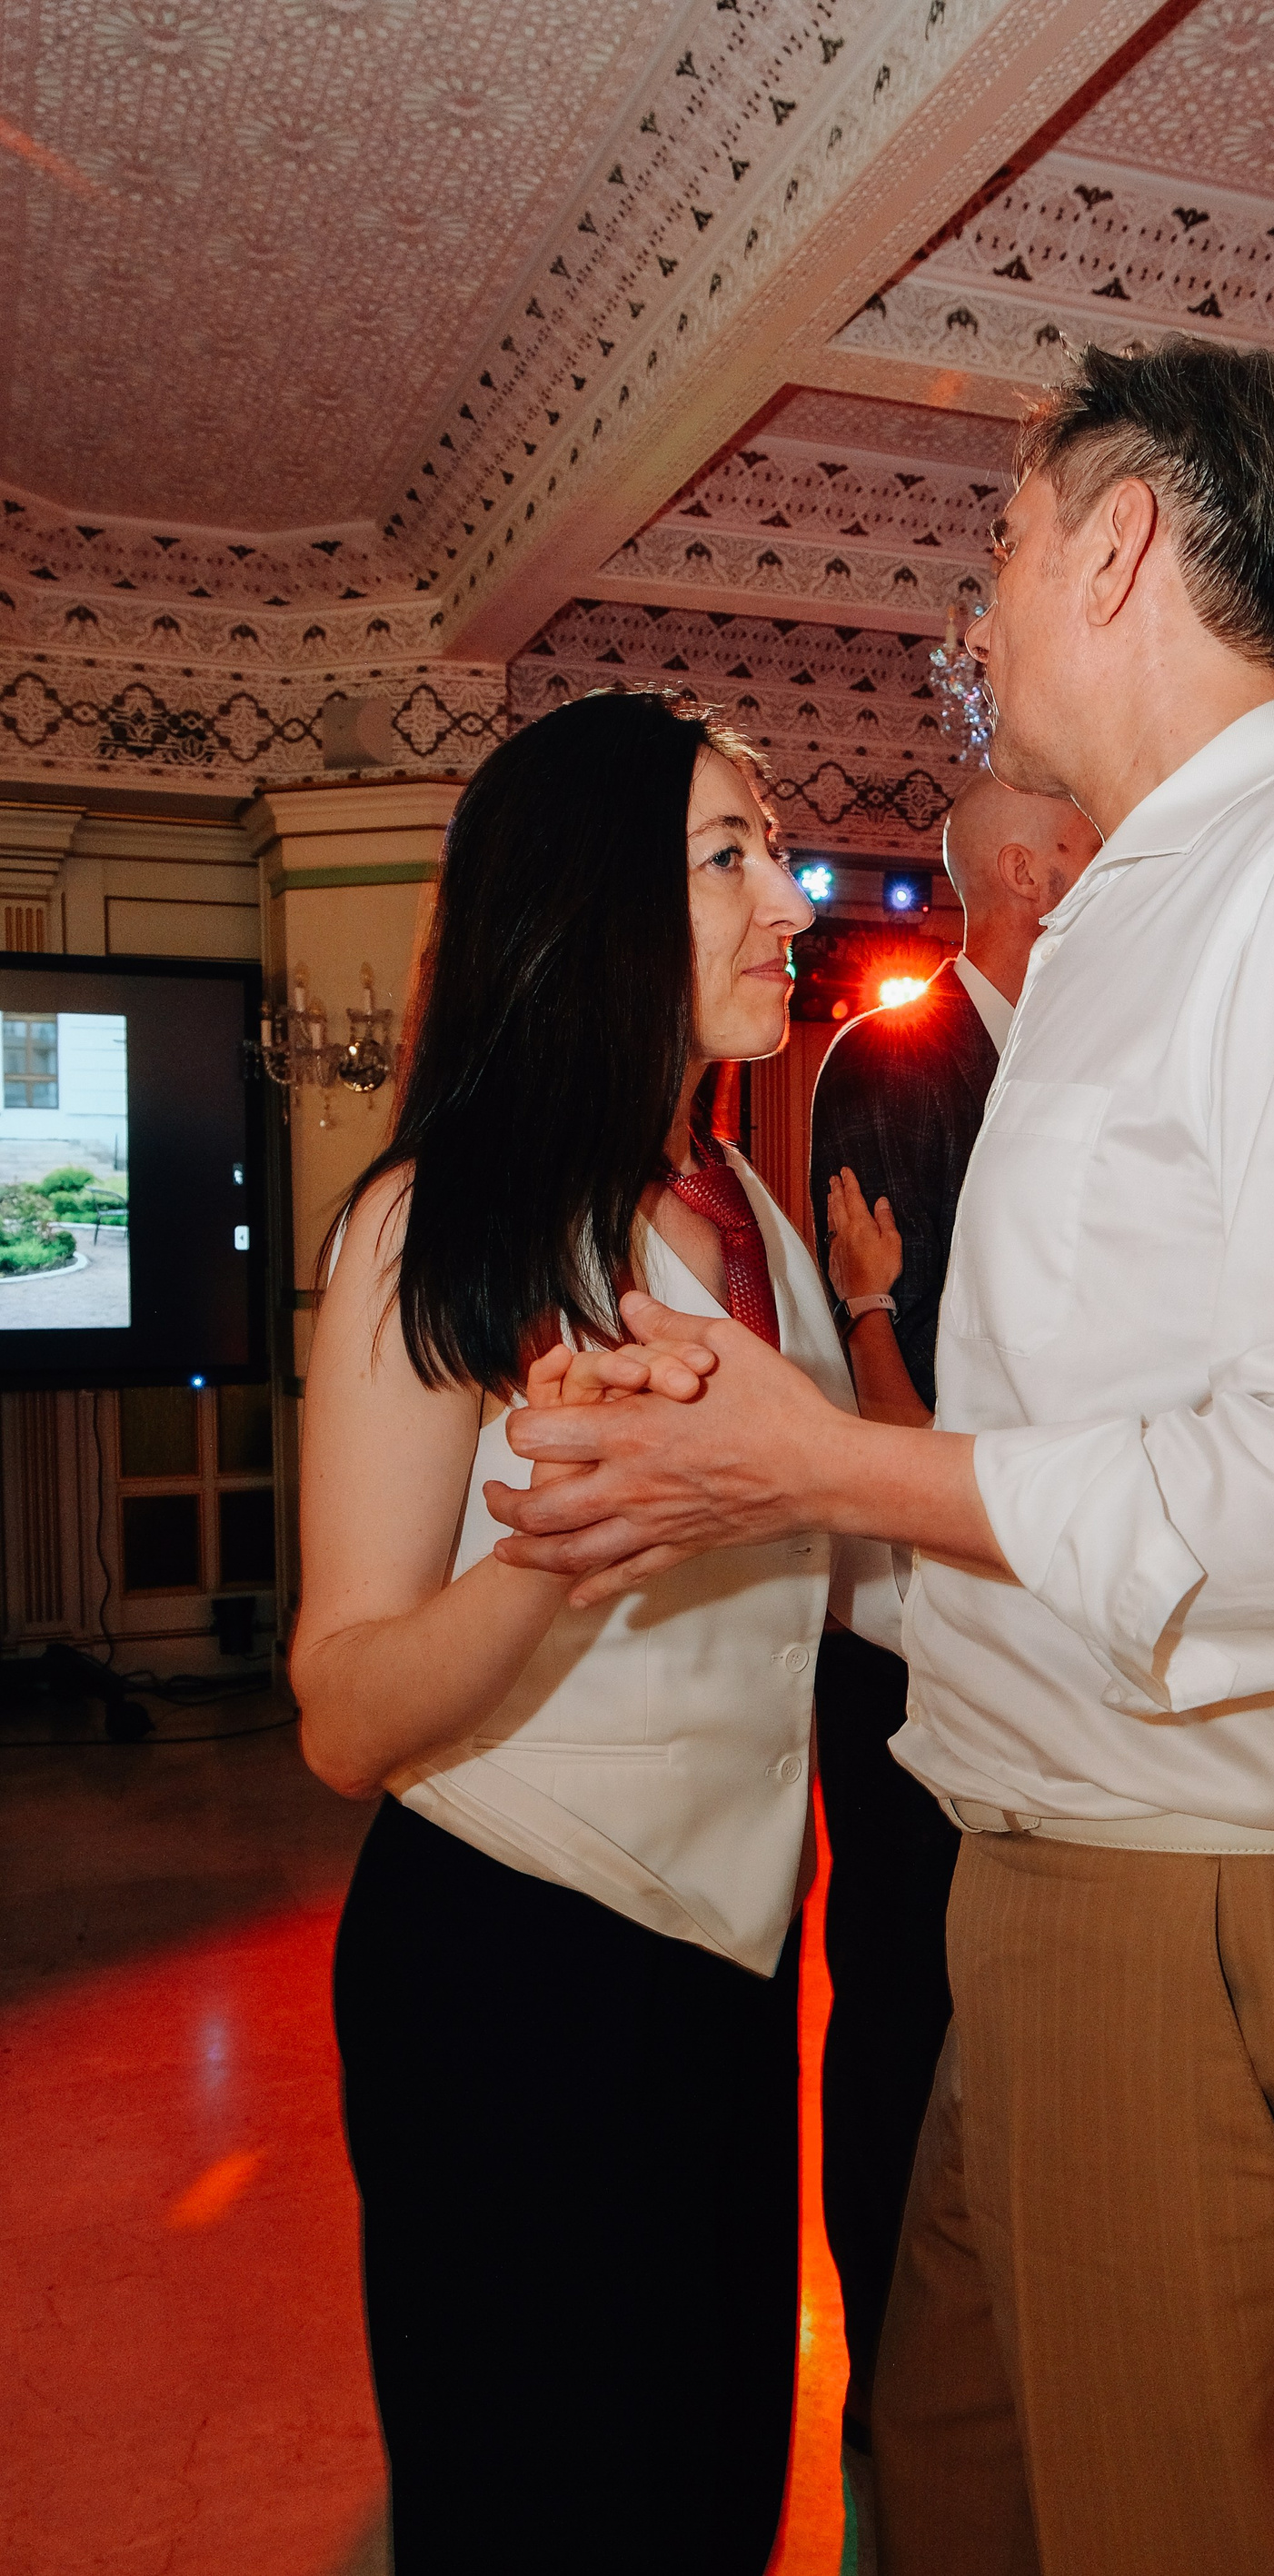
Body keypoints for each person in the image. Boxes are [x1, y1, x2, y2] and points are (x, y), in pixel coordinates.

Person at [486, 336, 1274, 2576]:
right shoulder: (1152, 915)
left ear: (1120, 549)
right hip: (1064, 1890)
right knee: (962, 2494)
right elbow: (1080, 1480)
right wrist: (749, 1480)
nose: (974, 611)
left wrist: (832, 1470)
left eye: (999, 546)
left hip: (1213, 1907)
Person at [290, 690, 901, 2575]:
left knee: (710, 2496)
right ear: (589, 898)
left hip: (729, 1969)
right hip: (515, 1969)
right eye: (727, 856)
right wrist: (551, 1561)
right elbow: (342, 1710)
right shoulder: (434, 1226)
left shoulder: (753, 1220)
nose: (789, 902)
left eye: (772, 853)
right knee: (544, 2516)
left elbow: (829, 1570)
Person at [806, 777, 1100, 2511]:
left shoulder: (1092, 1058)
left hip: (1040, 1605)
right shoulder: (893, 1059)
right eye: (1087, 846)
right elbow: (895, 1370)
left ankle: (1004, 2368)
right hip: (907, 1623)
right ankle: (892, 2384)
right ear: (1024, 871)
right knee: (904, 1994)